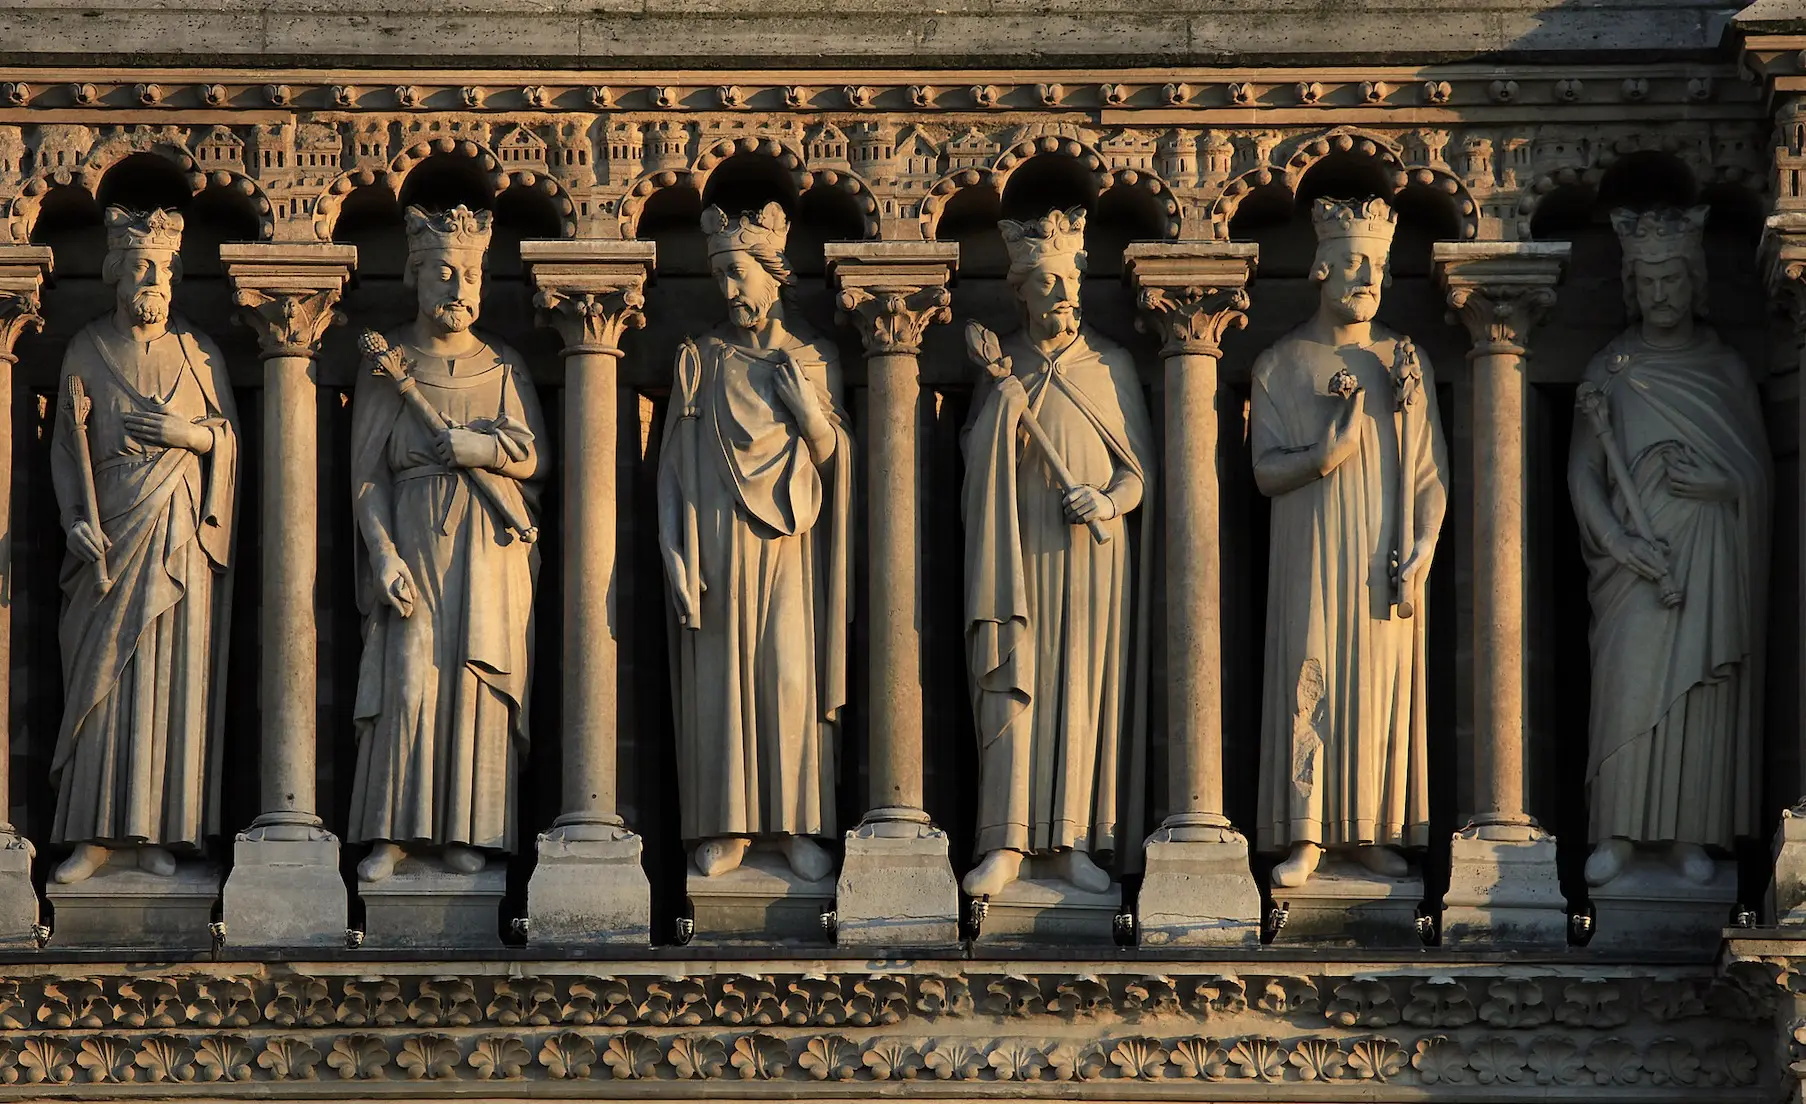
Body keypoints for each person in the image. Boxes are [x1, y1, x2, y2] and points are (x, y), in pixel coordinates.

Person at [1250, 196, 1449, 889]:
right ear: (1320, 269)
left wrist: (1424, 543)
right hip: (1310, 551)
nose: (1370, 277)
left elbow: (1428, 470)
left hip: (1381, 558)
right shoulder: (1279, 363)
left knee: (1377, 684)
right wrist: (1320, 457)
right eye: (1355, 263)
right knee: (1312, 675)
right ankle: (1306, 834)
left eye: (1380, 267)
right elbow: (1263, 470)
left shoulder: (1404, 359)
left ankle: (1367, 832)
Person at [1570, 206, 1770, 888]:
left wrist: (1726, 483)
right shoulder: (1612, 368)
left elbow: (1757, 472)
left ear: (1695, 283)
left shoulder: (1725, 368)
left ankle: (1693, 834)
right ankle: (1619, 832)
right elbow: (1583, 472)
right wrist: (1618, 541)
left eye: (1672, 281)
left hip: (1708, 553)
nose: (1660, 294)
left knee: (1699, 695)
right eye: (1647, 281)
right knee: (1627, 684)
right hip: (1635, 565)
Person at [960, 207, 1157, 897]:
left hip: (1091, 564)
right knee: (1017, 688)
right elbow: (972, 462)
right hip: (1016, 558)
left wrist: (1106, 502)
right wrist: (1003, 410)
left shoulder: (1111, 365)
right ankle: (1006, 841)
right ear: (1021, 292)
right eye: (1046, 284)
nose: (1063, 296)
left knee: (1081, 691)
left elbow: (1138, 474)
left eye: (1069, 280)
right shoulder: (1002, 365)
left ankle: (1074, 840)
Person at [348, 205, 547, 883]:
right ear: (415, 276)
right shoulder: (388, 368)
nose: (459, 288)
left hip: (488, 548)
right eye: (444, 272)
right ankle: (394, 834)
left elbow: (532, 456)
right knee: (407, 685)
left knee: (474, 683)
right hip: (411, 535)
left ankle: (470, 828)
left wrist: (479, 446)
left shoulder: (502, 367)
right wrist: (382, 554)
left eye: (471, 274)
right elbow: (366, 479)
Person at [656, 202, 851, 882]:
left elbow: (837, 458)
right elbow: (674, 467)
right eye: (719, 277)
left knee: (789, 681)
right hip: (715, 547)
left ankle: (795, 823)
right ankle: (727, 825)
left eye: (738, 274)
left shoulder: (811, 359)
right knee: (721, 686)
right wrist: (674, 553)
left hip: (791, 552)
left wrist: (807, 416)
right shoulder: (700, 360)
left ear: (773, 274)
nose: (730, 290)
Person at [50, 206, 239, 884]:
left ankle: (160, 830)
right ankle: (93, 837)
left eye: (161, 268)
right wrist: (75, 517)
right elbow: (66, 450)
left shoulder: (200, 354)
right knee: (100, 683)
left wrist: (192, 437)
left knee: (170, 683)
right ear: (117, 276)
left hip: (177, 536)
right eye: (139, 267)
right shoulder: (87, 348)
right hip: (109, 536)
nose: (151, 279)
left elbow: (228, 441)